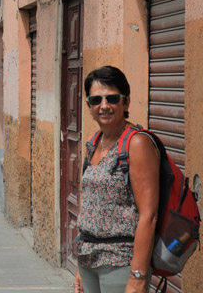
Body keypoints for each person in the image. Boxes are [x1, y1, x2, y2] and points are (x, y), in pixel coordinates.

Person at [73, 66, 159, 293]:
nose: (104, 106)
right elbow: (91, 205)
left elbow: (149, 215)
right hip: (88, 257)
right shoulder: (94, 142)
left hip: (121, 261)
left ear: (126, 102)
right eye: (96, 99)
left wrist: (138, 276)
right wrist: (80, 268)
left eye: (112, 98)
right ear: (88, 105)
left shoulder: (137, 143)